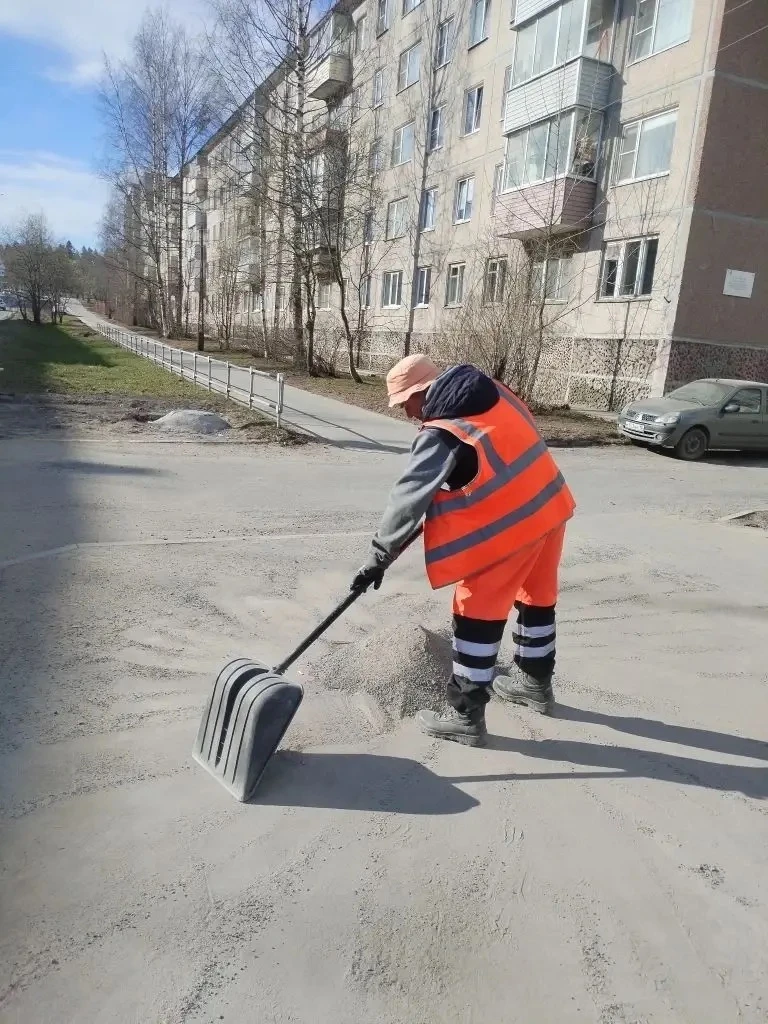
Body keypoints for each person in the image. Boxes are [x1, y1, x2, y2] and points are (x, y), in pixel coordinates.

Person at [351, 354, 576, 747]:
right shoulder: (496, 392)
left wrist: (377, 557)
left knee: (476, 616)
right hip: (549, 506)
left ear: (422, 392)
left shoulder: (442, 433)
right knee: (537, 600)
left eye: (405, 402)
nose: (406, 413)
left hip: (510, 530)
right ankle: (534, 683)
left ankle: (464, 715)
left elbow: (406, 499)